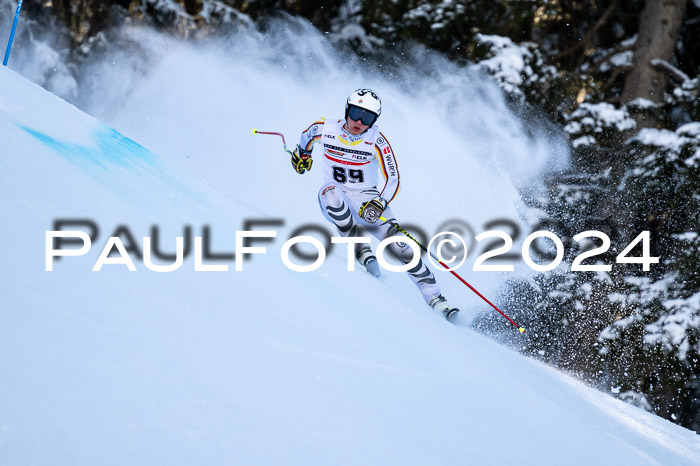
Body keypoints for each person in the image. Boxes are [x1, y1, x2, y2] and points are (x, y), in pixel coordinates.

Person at [291, 88, 458, 319]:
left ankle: (436, 299)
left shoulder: (376, 140)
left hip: (367, 203)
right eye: (356, 113)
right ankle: (359, 247)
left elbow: (394, 178)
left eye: (368, 117)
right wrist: (302, 156)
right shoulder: (324, 129)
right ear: (347, 110)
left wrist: (380, 202)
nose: (360, 121)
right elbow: (305, 138)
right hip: (336, 196)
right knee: (330, 193)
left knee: (402, 248)